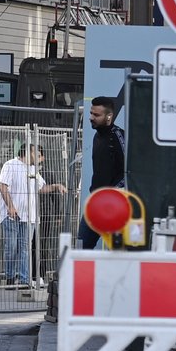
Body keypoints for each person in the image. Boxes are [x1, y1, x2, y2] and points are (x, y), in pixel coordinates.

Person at [0, 142, 63, 286]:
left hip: (30, 216)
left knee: (25, 248)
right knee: (12, 246)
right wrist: (10, 207)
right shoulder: (10, 164)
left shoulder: (33, 170)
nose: (39, 158)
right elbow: (3, 186)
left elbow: (42, 188)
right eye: (36, 154)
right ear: (27, 152)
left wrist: (56, 186)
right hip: (11, 215)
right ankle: (9, 277)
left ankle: (24, 280)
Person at [76, 95, 127, 251]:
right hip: (95, 204)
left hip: (114, 206)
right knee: (81, 248)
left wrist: (112, 192)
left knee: (117, 253)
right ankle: (83, 275)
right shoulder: (97, 136)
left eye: (96, 115)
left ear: (109, 117)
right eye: (91, 113)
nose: (91, 118)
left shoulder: (119, 136)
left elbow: (130, 171)